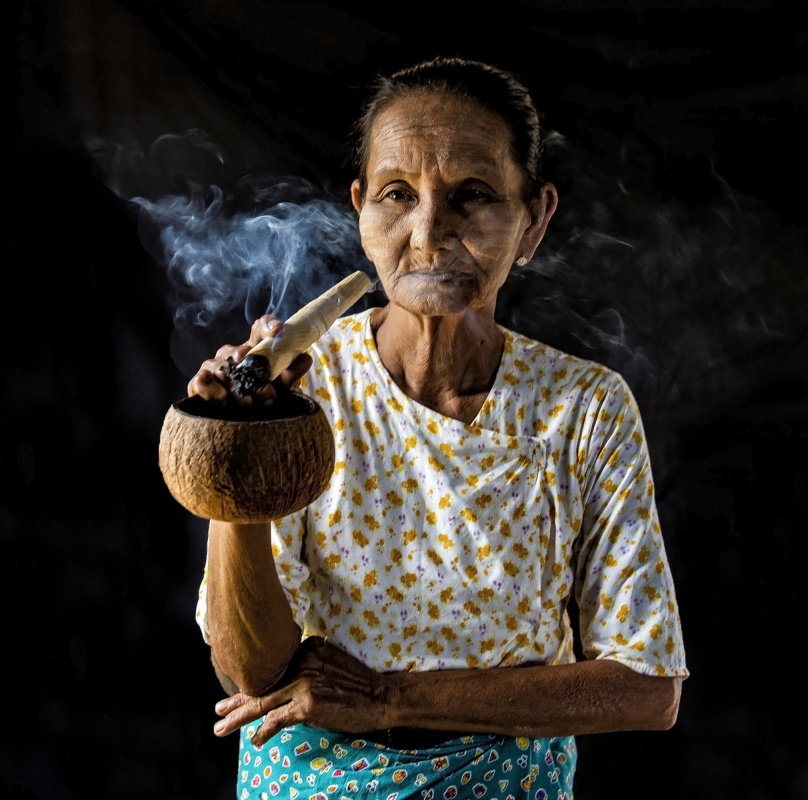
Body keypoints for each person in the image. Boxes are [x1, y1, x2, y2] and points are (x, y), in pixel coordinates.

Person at [190, 57, 687, 799]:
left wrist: (390, 698)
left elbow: (647, 687)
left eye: (473, 197)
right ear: (361, 211)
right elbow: (249, 673)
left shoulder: (584, 410)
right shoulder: (304, 386)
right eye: (397, 194)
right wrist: (237, 465)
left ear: (534, 220)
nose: (428, 232)